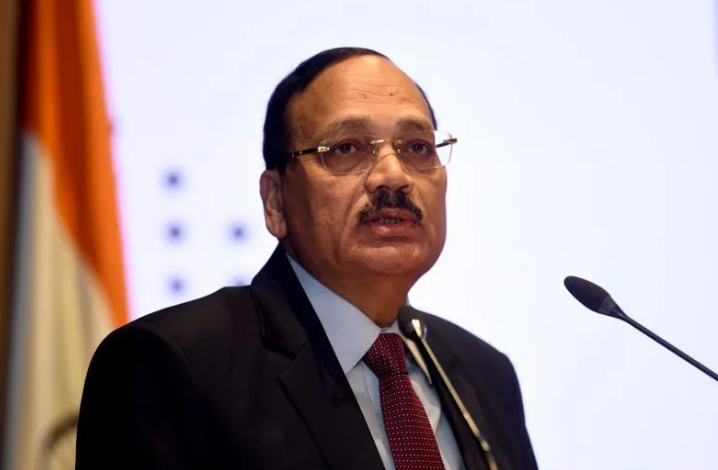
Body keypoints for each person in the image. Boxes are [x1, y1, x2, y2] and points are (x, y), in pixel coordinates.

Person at [76, 47, 539, 470]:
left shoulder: (485, 375)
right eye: (346, 148)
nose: (393, 175)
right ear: (276, 201)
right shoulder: (172, 365)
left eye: (417, 147)